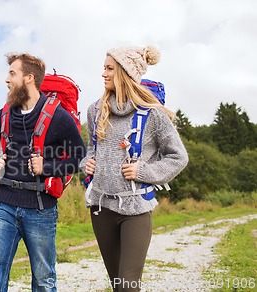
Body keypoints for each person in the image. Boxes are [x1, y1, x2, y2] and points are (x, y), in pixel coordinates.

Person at [81, 45, 189, 291]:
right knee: (117, 284)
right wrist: (86, 163)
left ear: (125, 73)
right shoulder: (95, 111)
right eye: (104, 68)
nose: (103, 74)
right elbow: (91, 150)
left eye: (109, 69)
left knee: (128, 286)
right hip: (100, 208)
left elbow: (178, 157)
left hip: (136, 210)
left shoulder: (153, 115)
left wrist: (144, 172)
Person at [0, 53, 86, 291]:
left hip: (41, 209)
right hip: (4, 205)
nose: (6, 80)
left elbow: (79, 157)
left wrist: (47, 168)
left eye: (12, 73)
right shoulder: (4, 115)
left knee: (43, 277)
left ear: (29, 78)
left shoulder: (59, 117)